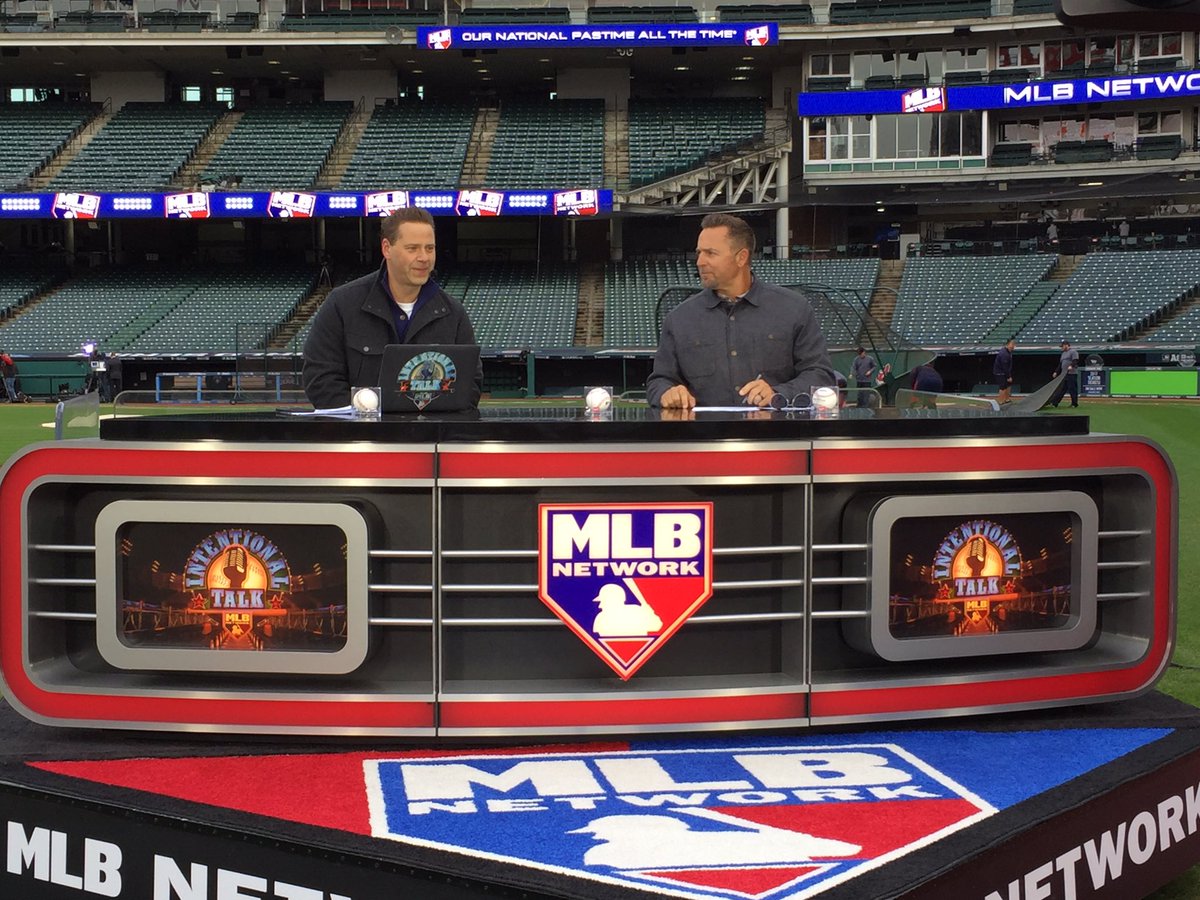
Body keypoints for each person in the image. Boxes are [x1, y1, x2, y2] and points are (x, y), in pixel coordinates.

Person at [646, 213, 835, 409]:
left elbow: (820, 376)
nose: (700, 261)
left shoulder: (794, 309)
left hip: (775, 428)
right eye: (699, 252)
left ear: (741, 257)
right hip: (706, 428)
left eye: (710, 253)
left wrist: (778, 393)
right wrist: (667, 393)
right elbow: (658, 382)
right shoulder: (679, 319)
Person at [302, 207, 482, 409]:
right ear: (387, 248)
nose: (424, 257)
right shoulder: (341, 304)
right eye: (412, 248)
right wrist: (369, 413)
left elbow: (470, 387)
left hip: (429, 429)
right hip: (362, 428)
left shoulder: (453, 314)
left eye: (430, 248)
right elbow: (320, 381)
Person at [1050, 340, 1080, 408]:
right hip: (1064, 374)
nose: (1062, 348)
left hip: (1071, 373)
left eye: (1062, 346)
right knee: (1061, 389)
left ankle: (1074, 404)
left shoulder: (1073, 352)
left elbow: (1075, 360)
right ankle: (1055, 403)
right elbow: (1060, 364)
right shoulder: (1063, 353)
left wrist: (1071, 366)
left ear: (1066, 345)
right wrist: (1056, 372)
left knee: (1072, 389)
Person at [993, 338, 1015, 404]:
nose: (1013, 346)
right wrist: (1008, 377)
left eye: (1014, 344)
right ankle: (1001, 402)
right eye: (1012, 344)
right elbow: (1004, 367)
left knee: (1008, 385)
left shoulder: (1009, 352)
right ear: (1007, 345)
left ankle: (1007, 399)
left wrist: (1009, 375)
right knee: (1003, 387)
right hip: (1000, 373)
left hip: (1005, 372)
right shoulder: (1004, 353)